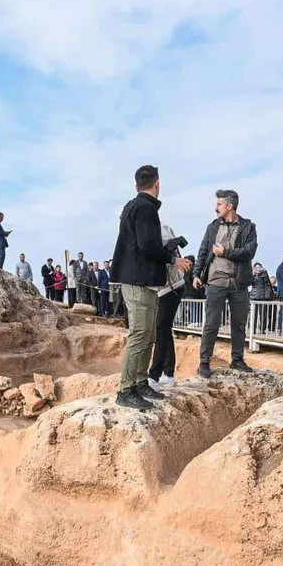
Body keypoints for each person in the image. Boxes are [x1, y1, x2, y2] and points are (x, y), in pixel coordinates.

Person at [111, 164, 192, 409]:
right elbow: (147, 244)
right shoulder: (145, 207)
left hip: (142, 280)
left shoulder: (133, 206)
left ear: (137, 185)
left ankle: (139, 381)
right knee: (140, 334)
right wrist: (173, 259)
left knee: (148, 334)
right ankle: (126, 389)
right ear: (157, 183)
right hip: (138, 280)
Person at [192, 188, 259, 377]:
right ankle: (204, 362)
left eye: (219, 204)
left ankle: (237, 360)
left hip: (239, 283)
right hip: (215, 281)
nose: (216, 208)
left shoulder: (248, 227)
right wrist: (196, 274)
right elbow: (203, 251)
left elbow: (249, 252)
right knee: (211, 323)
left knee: (239, 324)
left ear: (229, 206)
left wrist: (225, 252)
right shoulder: (212, 227)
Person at [148, 226, 187, 388]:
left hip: (170, 286)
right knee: (164, 330)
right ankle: (168, 374)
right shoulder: (158, 227)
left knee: (161, 331)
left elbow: (159, 252)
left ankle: (154, 377)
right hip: (165, 287)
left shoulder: (157, 228)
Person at [249, 262, 276, 332]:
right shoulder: (252, 275)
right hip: (254, 297)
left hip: (263, 297)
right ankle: (252, 329)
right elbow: (249, 283)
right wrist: (253, 274)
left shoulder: (264, 275)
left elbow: (268, 283)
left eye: (259, 267)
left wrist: (265, 272)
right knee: (253, 314)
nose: (258, 269)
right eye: (256, 268)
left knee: (263, 314)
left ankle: (262, 329)